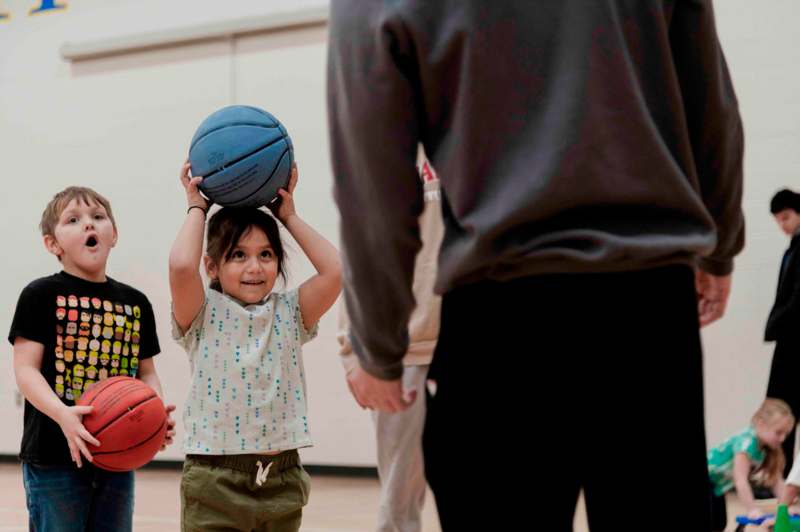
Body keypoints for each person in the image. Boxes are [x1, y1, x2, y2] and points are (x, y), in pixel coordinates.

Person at [327, 1, 744, 529]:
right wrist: (719, 244)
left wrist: (379, 344)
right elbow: (709, 101)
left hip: (502, 321)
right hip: (646, 310)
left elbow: (372, 183)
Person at [169, 162, 341, 531]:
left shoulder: (290, 312)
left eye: (266, 254)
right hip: (215, 478)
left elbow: (335, 271)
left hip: (282, 477)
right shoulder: (201, 312)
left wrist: (289, 216)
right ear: (212, 267)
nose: (255, 266)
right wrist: (197, 207)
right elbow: (182, 266)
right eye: (238, 254)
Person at [9, 186, 174, 532]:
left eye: (98, 217)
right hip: (55, 456)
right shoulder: (40, 294)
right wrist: (62, 415)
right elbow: (25, 370)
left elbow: (146, 373)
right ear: (52, 244)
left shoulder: (136, 302)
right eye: (73, 220)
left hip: (117, 457)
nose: (89, 225)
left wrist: (154, 412)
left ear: (114, 235)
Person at [337, 152, 442, 532]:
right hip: (402, 350)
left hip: (476, 339)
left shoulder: (482, 130)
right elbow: (359, 248)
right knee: (400, 500)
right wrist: (352, 349)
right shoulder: (390, 140)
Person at [707, 398, 794, 531]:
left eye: (786, 434)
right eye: (778, 432)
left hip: (716, 486)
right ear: (761, 424)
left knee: (719, 522)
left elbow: (777, 482)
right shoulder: (746, 442)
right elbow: (740, 480)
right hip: (709, 479)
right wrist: (752, 509)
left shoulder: (767, 448)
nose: (782, 439)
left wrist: (786, 508)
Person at [765, 189, 800, 476]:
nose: (782, 225)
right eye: (778, 219)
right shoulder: (793, 248)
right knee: (782, 407)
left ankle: (782, 477)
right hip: (789, 336)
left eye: (786, 217)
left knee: (782, 406)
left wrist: (777, 321)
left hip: (794, 338)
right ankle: (781, 476)